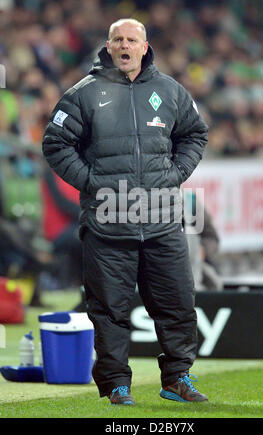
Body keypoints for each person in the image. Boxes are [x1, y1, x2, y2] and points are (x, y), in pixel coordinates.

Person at [42, 18, 208, 406]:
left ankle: (178, 378)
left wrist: (176, 173)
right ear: (108, 46)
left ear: (144, 47)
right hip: (107, 225)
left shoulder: (170, 91)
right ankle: (118, 384)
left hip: (162, 223)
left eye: (132, 39)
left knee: (178, 304)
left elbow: (195, 134)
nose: (124, 45)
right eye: (118, 39)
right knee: (109, 310)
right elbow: (55, 143)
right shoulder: (83, 94)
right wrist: (92, 181)